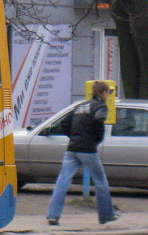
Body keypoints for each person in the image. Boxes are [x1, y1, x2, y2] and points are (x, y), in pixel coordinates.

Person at [46, 81, 119, 225]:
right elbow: (99, 121)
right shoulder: (101, 107)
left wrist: (73, 136)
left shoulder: (80, 106)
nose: (108, 96)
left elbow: (64, 124)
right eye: (107, 93)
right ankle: (106, 215)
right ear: (102, 93)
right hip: (88, 150)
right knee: (100, 181)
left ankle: (53, 215)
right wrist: (96, 139)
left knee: (63, 180)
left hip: (72, 149)